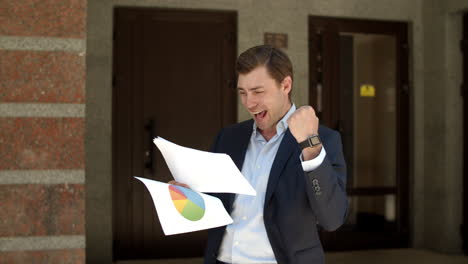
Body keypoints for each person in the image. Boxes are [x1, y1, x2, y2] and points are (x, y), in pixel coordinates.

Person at [171, 45, 347, 264]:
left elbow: (332, 218)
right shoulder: (228, 137)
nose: (249, 103)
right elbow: (215, 207)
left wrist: (310, 146)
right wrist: (186, 198)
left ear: (286, 85)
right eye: (243, 92)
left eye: (258, 91)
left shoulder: (322, 140)